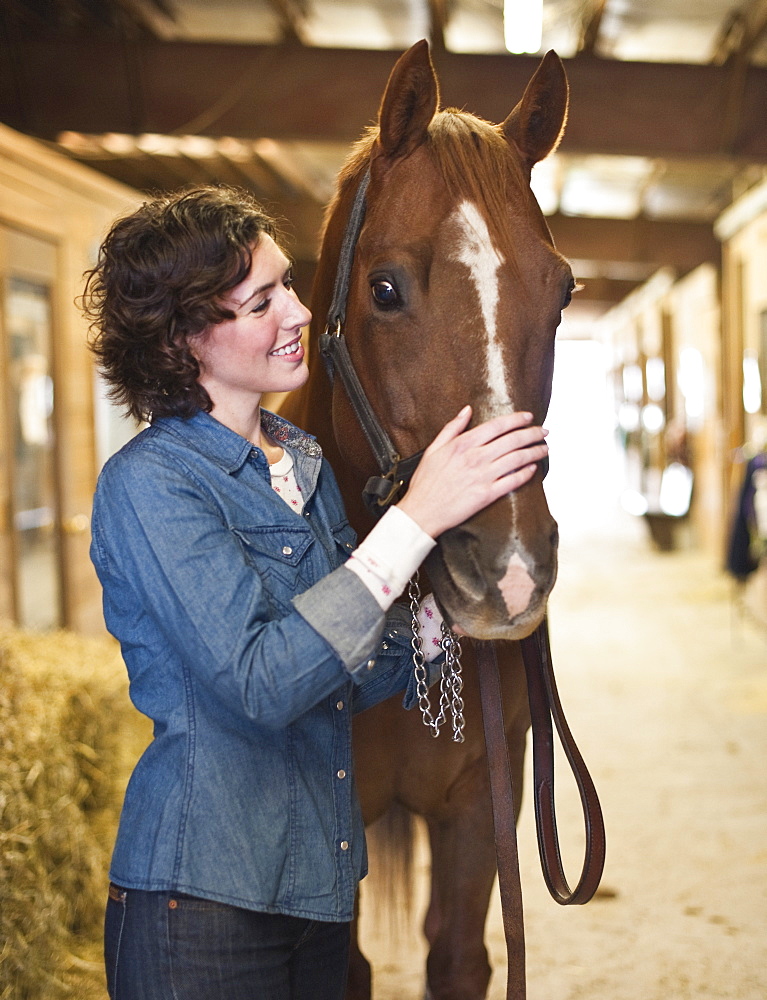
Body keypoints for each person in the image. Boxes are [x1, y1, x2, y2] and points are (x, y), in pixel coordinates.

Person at [82, 185, 548, 1000]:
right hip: (205, 904)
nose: (300, 313)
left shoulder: (298, 459)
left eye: (289, 285)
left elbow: (341, 671)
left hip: (319, 891)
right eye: (262, 301)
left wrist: (449, 615)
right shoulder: (149, 486)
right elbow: (265, 683)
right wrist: (412, 523)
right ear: (185, 338)